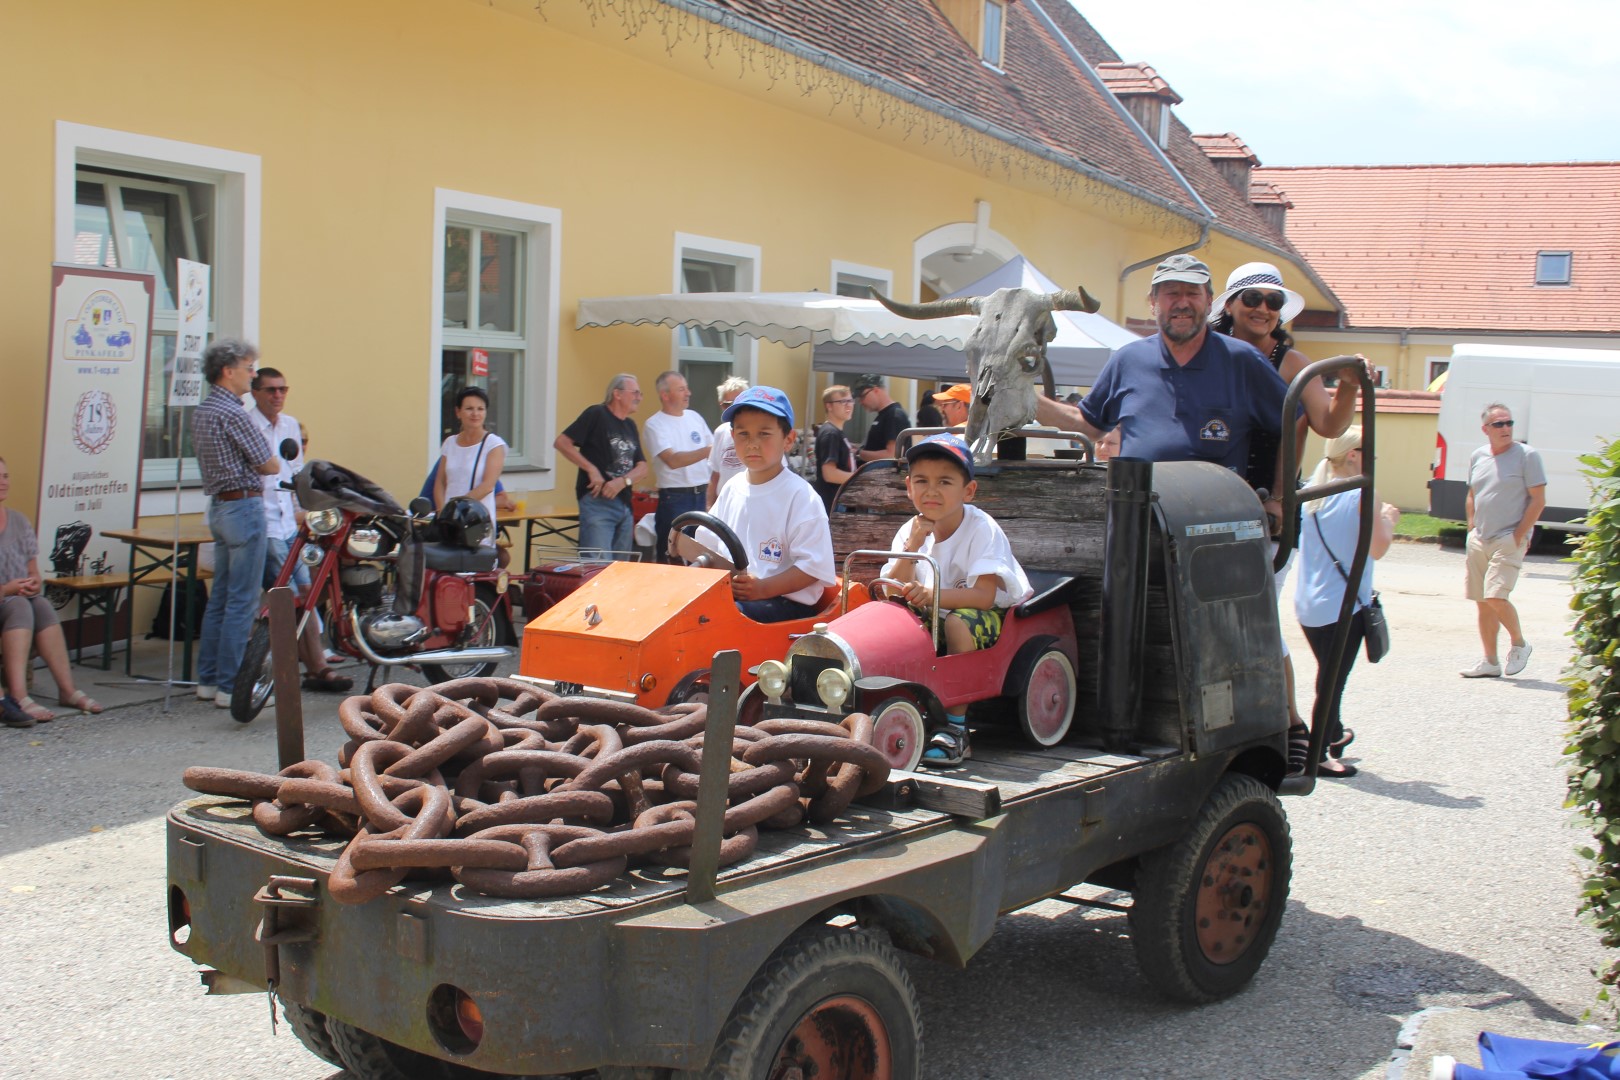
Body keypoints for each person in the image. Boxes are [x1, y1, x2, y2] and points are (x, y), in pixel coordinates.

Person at [1209, 261, 1364, 753]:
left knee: (1256, 618)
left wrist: (1351, 388)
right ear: (1230, 305)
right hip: (1205, 501)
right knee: (1206, 618)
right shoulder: (1208, 356)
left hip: (1267, 509)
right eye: (1252, 299)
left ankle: (1293, 724)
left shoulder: (1293, 363)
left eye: (1273, 302)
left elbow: (1330, 425)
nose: (1263, 309)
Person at [881, 433, 1032, 767]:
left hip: (987, 617)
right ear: (909, 487)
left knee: (957, 623)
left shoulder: (981, 529)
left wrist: (933, 596)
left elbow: (983, 596)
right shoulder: (911, 528)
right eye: (922, 480)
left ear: (968, 491)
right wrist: (913, 544)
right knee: (890, 621)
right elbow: (893, 589)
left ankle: (957, 728)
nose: (931, 490)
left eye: (944, 481)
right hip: (932, 611)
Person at [1294, 428, 1399, 778]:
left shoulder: (1313, 490)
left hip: (1309, 603)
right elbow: (1379, 548)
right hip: (1343, 605)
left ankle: (1334, 733)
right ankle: (1319, 752)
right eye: (1369, 450)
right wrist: (1389, 519)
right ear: (1352, 454)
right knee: (1333, 680)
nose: (1375, 458)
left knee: (1328, 672)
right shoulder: (1361, 494)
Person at [248, 368, 350, 693]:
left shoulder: (290, 425)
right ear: (256, 392)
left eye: (282, 389)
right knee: (288, 596)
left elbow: (297, 476)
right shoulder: (249, 425)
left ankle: (313, 665)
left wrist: (305, 514)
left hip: (290, 523)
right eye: (270, 390)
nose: (277, 395)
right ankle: (313, 667)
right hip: (264, 523)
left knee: (307, 593)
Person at [193, 338, 281, 709]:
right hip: (244, 508)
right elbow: (268, 463)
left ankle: (209, 679)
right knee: (241, 602)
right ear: (228, 371)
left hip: (219, 508)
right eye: (248, 367)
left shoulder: (203, 411)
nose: (252, 373)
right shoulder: (233, 412)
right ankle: (231, 685)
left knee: (221, 599)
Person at [702, 387, 835, 623]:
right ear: (732, 437)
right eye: (744, 434)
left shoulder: (800, 496)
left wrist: (762, 588)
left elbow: (813, 567)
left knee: (718, 617)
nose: (753, 444)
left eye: (764, 434)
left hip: (786, 606)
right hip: (737, 597)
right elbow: (707, 543)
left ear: (788, 440)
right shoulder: (732, 488)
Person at [0, 456, 104, 725]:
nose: (3, 482)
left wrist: (33, 582)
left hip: (17, 597)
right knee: (19, 605)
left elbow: (33, 570)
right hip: (7, 599)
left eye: (6, 476)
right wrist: (8, 588)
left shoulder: (19, 521)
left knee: (41, 604)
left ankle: (67, 690)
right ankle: (20, 695)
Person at [1461, 403, 1545, 678]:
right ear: (1486, 429)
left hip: (1508, 539)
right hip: (1480, 539)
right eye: (1499, 424)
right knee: (1482, 602)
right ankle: (1490, 662)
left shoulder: (1526, 456)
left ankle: (1520, 644)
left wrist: (1518, 536)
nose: (1506, 428)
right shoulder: (1478, 456)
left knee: (1496, 597)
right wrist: (1471, 528)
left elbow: (1538, 499)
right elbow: (1473, 493)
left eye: (1509, 423)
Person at [554, 374, 647, 560]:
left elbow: (643, 467)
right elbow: (562, 443)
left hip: (625, 505)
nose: (639, 397)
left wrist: (622, 481)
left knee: (621, 572)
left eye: (640, 393)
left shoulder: (630, 425)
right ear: (617, 394)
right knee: (596, 568)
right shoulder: (596, 414)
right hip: (598, 502)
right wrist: (591, 469)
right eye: (635, 392)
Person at [642, 371, 714, 563]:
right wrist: (708, 450)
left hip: (701, 494)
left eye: (687, 388)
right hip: (675, 498)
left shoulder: (695, 417)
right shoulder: (654, 424)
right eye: (681, 389)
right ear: (665, 395)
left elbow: (714, 456)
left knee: (699, 554)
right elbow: (672, 460)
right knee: (671, 554)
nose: (688, 393)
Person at [434, 386, 507, 556]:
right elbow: (440, 482)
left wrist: (456, 509)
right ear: (458, 412)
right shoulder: (449, 443)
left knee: (473, 571)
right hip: (450, 523)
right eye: (469, 409)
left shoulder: (493, 444)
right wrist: (442, 513)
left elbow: (488, 486)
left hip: (475, 522)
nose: (475, 414)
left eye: (480, 409)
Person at [705, 377, 750, 508]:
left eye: (738, 403)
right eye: (727, 404)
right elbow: (715, 475)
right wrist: (709, 507)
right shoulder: (720, 432)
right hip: (723, 504)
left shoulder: (758, 432)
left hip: (748, 503)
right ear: (721, 405)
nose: (733, 408)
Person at [813, 385, 858, 511]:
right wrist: (860, 477)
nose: (848, 405)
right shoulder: (830, 434)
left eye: (850, 401)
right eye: (843, 401)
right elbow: (830, 474)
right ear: (829, 406)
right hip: (832, 504)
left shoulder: (836, 432)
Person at [854, 375, 911, 463]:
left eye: (862, 396)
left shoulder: (894, 415)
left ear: (876, 390)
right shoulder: (885, 414)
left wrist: (859, 453)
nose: (861, 402)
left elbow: (892, 455)